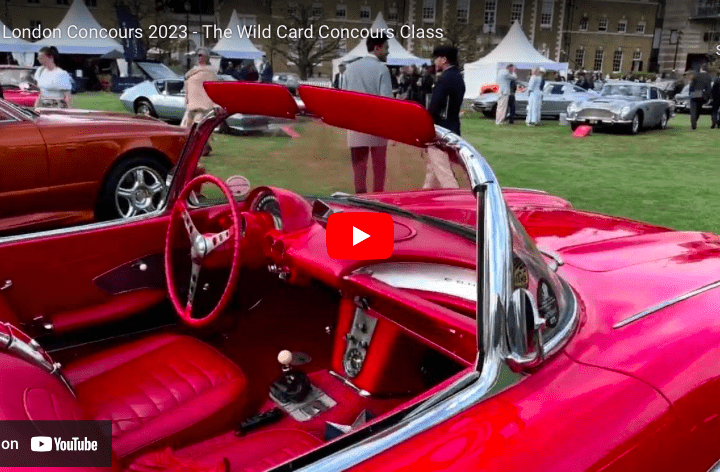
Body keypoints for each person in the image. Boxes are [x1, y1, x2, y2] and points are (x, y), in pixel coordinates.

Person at [343, 33, 392, 194]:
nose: (388, 52)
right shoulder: (382, 69)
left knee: (359, 168)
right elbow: (387, 101)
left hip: (355, 123)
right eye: (386, 48)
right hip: (377, 124)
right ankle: (378, 198)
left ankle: (360, 199)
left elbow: (344, 96)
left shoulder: (350, 68)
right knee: (379, 167)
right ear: (377, 48)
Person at [422, 45, 465, 189]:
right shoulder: (458, 77)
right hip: (453, 128)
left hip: (441, 130)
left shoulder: (445, 78)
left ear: (444, 59)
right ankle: (426, 193)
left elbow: (435, 106)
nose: (435, 61)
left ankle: (456, 199)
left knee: (443, 172)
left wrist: (426, 122)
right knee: (433, 167)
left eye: (437, 58)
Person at [181, 48, 218, 128]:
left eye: (200, 55)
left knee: (197, 127)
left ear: (206, 57)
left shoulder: (210, 72)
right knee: (185, 127)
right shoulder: (192, 71)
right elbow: (187, 85)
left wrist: (214, 105)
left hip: (202, 107)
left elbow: (214, 88)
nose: (198, 57)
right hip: (191, 105)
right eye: (197, 55)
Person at [689, 66, 712, 130]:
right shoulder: (708, 77)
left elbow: (691, 85)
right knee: (698, 109)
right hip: (702, 94)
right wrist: (707, 97)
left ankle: (693, 122)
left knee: (693, 109)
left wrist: (690, 93)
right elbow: (709, 88)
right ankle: (695, 120)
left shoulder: (696, 75)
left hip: (694, 93)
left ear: (701, 69)